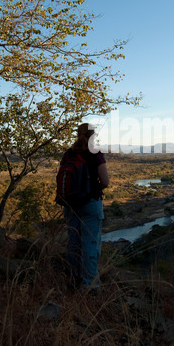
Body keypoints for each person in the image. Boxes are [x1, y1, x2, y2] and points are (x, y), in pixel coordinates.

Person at [61, 123, 109, 292]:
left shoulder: (68, 154)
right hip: (90, 204)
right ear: (93, 135)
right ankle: (90, 286)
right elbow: (105, 181)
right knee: (90, 243)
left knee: (73, 242)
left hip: (70, 204)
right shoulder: (95, 153)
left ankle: (73, 280)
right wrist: (91, 190)